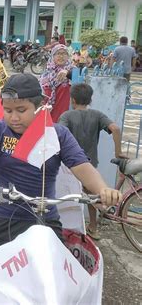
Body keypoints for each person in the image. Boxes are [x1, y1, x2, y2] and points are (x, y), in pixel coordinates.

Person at [0, 73, 122, 257]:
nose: (13, 117)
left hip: (45, 219)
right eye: (8, 111)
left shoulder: (58, 134)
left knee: (57, 273)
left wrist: (102, 189)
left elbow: (82, 167)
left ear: (39, 107)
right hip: (0, 217)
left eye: (21, 110)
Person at [59, 83, 124, 240]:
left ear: (72, 100)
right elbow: (115, 128)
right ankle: (93, 226)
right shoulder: (97, 115)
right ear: (90, 99)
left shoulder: (66, 116)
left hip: (71, 165)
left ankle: (70, 227)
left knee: (68, 196)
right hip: (90, 164)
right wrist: (118, 152)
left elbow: (60, 135)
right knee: (91, 195)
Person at [39, 44, 73, 123]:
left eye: (64, 53)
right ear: (52, 56)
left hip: (64, 116)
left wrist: (68, 72)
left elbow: (79, 77)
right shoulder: (46, 73)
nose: (61, 56)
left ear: (68, 56)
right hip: (46, 115)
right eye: (58, 53)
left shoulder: (73, 71)